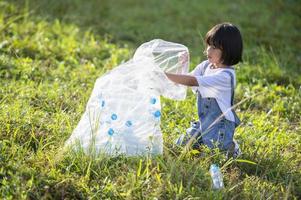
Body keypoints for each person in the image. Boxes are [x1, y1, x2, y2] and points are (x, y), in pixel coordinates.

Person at [165, 22, 243, 157]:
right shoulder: (206, 65)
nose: (208, 50)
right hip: (204, 123)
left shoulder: (226, 76)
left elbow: (192, 81)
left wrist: (163, 75)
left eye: (214, 47)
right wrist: (182, 65)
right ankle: (205, 141)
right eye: (208, 46)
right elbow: (187, 79)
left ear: (228, 50)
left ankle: (231, 147)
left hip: (220, 126)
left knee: (213, 155)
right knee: (180, 145)